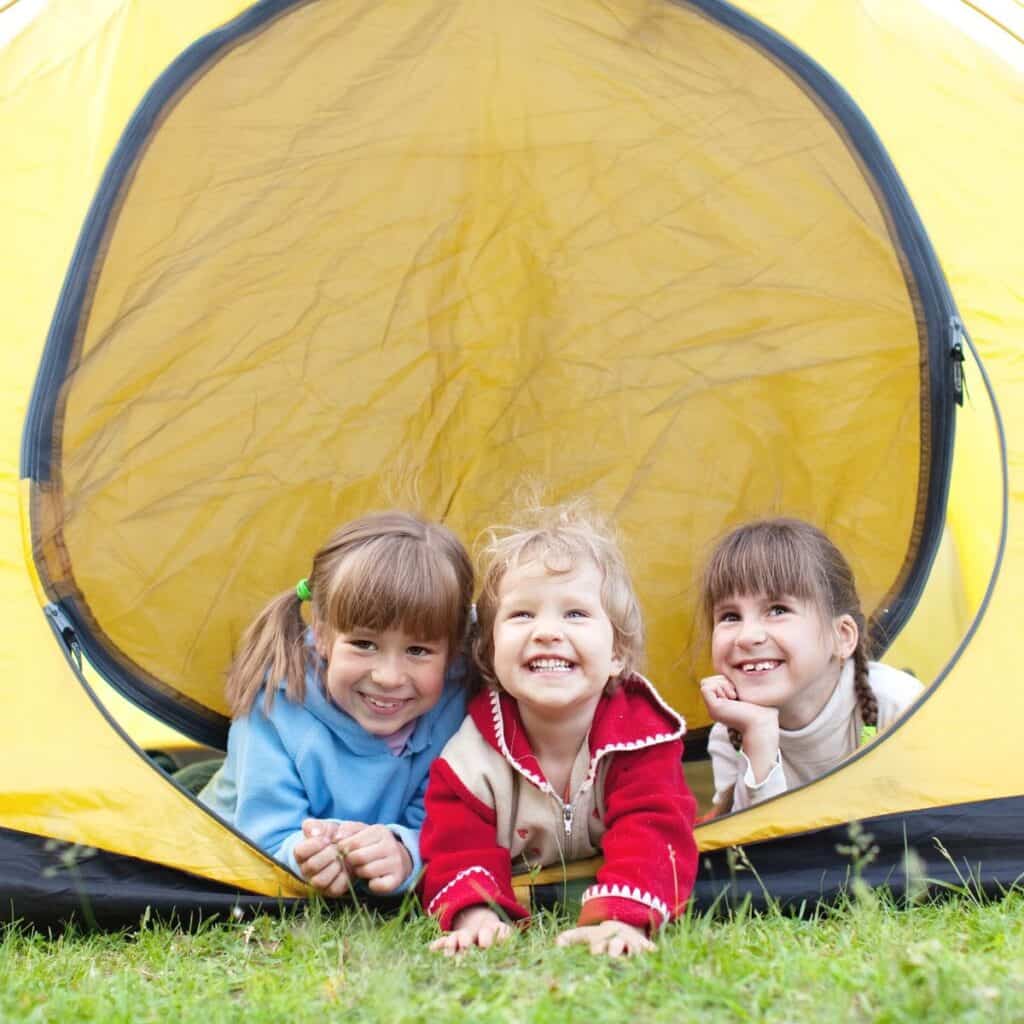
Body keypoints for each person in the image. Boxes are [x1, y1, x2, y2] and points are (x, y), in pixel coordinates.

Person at [421, 501, 698, 957]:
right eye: (522, 615)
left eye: (575, 615)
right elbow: (455, 846)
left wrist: (621, 919)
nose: (547, 631)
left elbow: (654, 830)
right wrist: (477, 914)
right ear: (490, 654)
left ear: (617, 655)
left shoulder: (641, 737)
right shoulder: (470, 757)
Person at [199, 511, 474, 899]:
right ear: (324, 636)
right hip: (234, 817)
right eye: (364, 644)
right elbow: (262, 834)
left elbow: (443, 819)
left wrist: (404, 851)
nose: (388, 676)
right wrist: (303, 856)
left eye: (418, 650)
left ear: (452, 650)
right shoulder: (276, 708)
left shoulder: (457, 706)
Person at [699, 518, 924, 815]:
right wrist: (759, 736)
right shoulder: (730, 734)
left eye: (778, 610)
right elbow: (756, 853)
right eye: (730, 616)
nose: (747, 636)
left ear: (841, 637)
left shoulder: (897, 706)